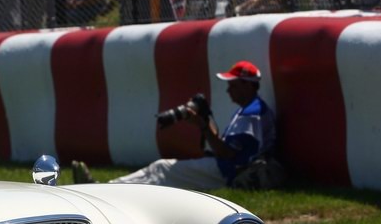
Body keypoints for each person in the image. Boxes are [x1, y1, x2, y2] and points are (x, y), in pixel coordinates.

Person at [72, 61, 277, 191]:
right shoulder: (250, 109)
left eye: (233, 85)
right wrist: (205, 122)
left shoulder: (251, 113)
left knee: (162, 171)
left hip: (228, 172)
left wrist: (204, 127)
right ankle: (105, 189)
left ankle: (104, 190)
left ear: (248, 85)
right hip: (226, 167)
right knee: (160, 169)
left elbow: (229, 154)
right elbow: (226, 148)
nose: (228, 91)